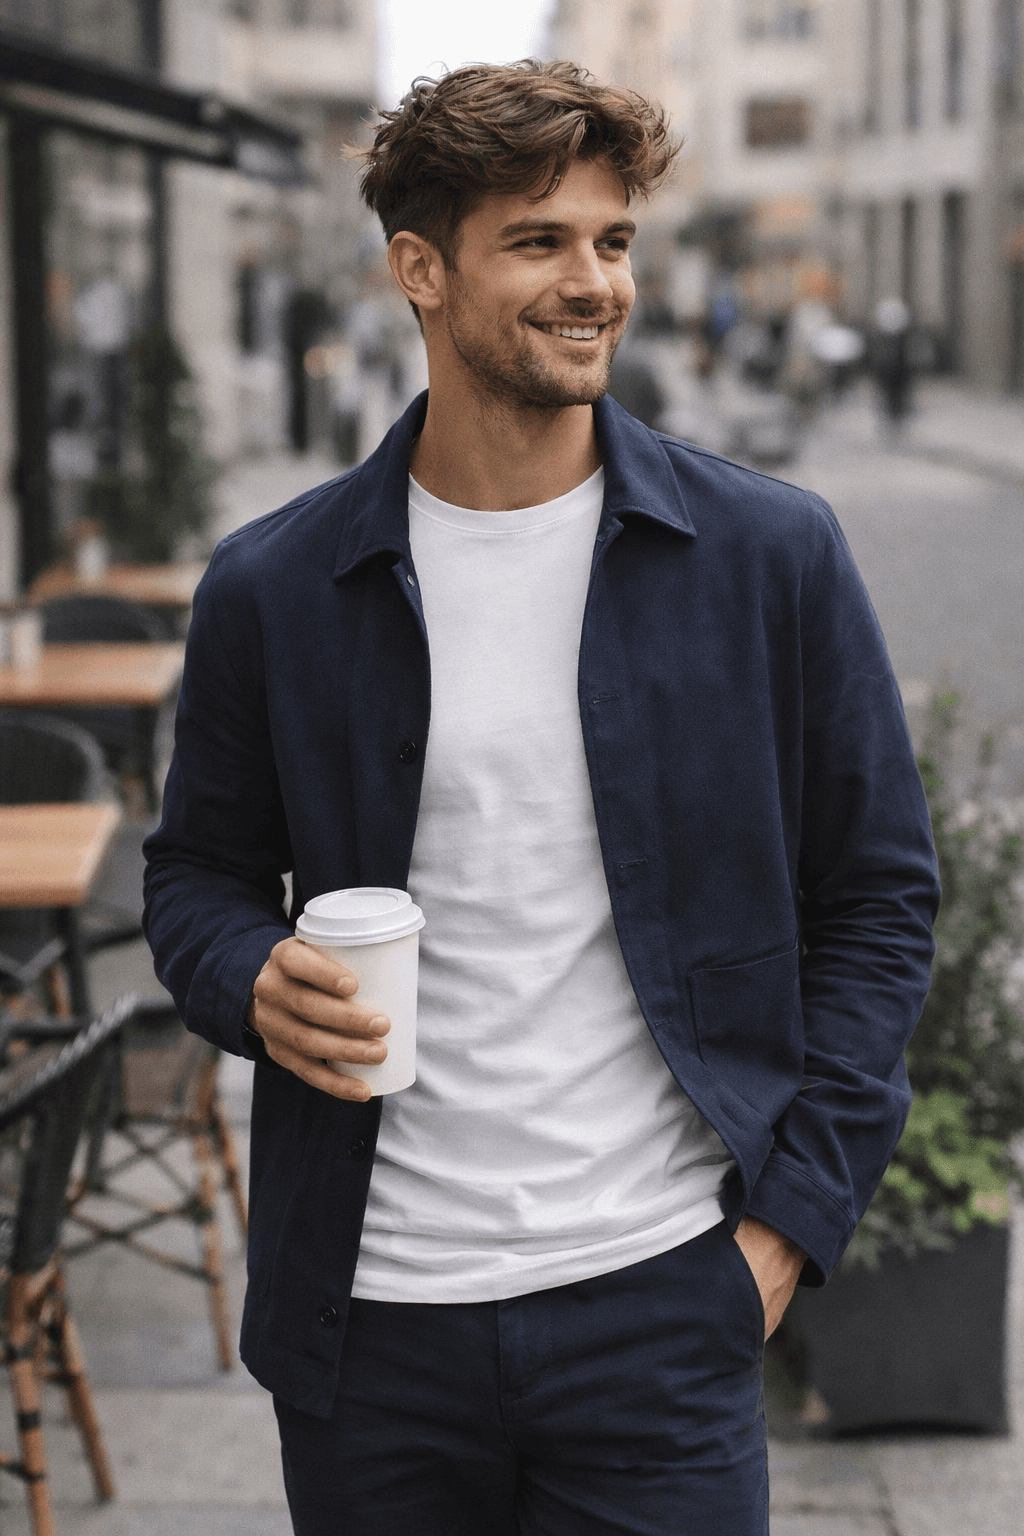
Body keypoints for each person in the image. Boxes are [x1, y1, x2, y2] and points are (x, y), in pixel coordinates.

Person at [143, 60, 940, 1535]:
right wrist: (250, 973)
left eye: (613, 240)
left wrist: (786, 1227)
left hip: (659, 1309)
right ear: (420, 271)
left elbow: (880, 899)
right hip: (369, 1327)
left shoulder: (768, 557)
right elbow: (190, 878)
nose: (595, 283)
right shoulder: (274, 586)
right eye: (540, 241)